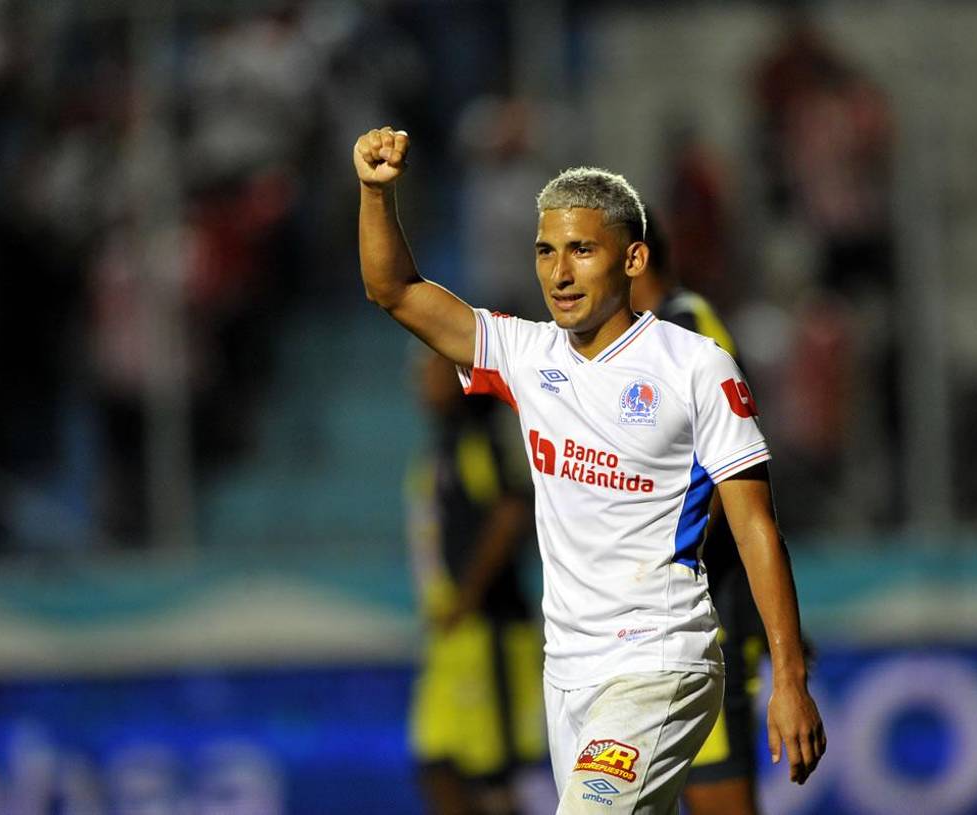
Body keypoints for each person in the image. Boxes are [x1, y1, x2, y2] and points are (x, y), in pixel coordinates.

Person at [353, 126, 825, 813]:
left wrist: (788, 677)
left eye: (581, 249)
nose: (559, 272)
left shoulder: (694, 364)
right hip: (570, 672)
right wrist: (374, 193)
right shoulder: (526, 354)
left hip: (663, 658)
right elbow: (393, 289)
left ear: (633, 258)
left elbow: (755, 526)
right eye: (546, 251)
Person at [630, 207, 764, 815]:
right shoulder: (650, 337)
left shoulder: (688, 328)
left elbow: (724, 466)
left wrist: (667, 566)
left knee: (715, 793)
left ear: (635, 257)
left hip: (708, 609)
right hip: (668, 616)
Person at [406, 348, 545, 815]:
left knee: (494, 781)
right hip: (452, 638)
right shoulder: (444, 444)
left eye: (430, 368)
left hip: (491, 630)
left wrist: (468, 594)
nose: (421, 379)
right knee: (436, 764)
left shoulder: (481, 440)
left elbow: (511, 511)